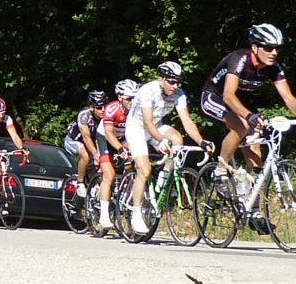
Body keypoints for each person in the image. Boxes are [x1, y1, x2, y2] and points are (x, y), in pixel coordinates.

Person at [201, 23, 296, 173]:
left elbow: (288, 97)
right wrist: (249, 116)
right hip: (215, 97)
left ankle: (251, 192)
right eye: (268, 48)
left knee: (256, 152)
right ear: (255, 48)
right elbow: (228, 96)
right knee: (241, 125)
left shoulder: (274, 67)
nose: (274, 52)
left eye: (277, 48)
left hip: (239, 103)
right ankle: (220, 171)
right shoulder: (240, 59)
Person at [126, 62, 215, 234]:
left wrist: (201, 142)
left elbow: (187, 122)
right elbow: (147, 122)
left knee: (176, 138)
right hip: (137, 127)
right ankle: (135, 213)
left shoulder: (179, 94)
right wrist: (160, 141)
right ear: (161, 79)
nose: (176, 86)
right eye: (172, 82)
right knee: (144, 170)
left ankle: (164, 177)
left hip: (156, 125)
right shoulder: (147, 90)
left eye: (178, 82)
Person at [95, 80, 138, 229]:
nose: (133, 101)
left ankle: (125, 194)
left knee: (134, 165)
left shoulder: (138, 110)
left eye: (135, 97)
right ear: (120, 97)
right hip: (106, 138)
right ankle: (104, 215)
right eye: (129, 98)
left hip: (124, 138)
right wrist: (120, 149)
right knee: (109, 175)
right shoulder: (112, 109)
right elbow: (108, 133)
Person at [63, 90, 107, 200]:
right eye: (99, 108)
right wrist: (96, 154)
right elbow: (86, 137)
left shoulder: (106, 117)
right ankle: (80, 182)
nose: (103, 110)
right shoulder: (84, 115)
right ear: (92, 107)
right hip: (73, 141)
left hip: (91, 143)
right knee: (85, 154)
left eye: (104, 107)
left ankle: (91, 199)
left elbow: (101, 138)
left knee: (102, 164)